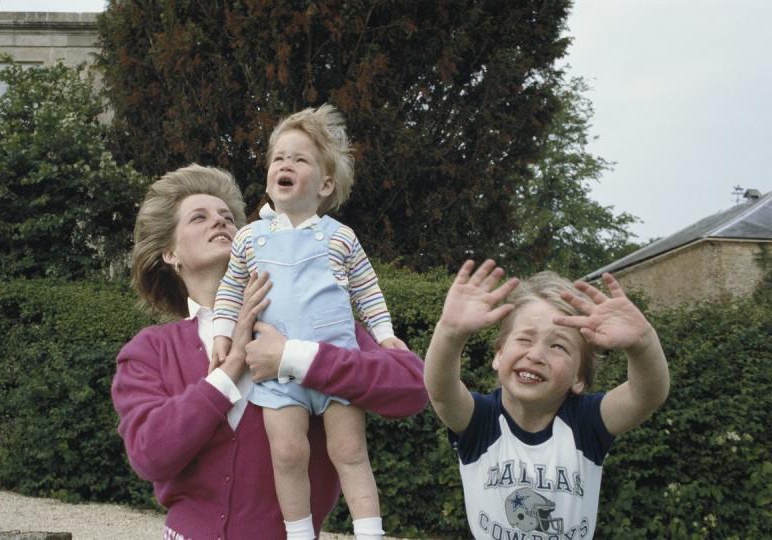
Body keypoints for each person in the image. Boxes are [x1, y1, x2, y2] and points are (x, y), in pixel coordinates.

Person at [111, 163, 428, 540]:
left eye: (228, 217)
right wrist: (228, 372)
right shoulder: (150, 350)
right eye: (200, 217)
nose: (221, 222)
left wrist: (296, 358)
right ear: (170, 253)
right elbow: (149, 455)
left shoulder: (320, 327)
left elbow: (412, 388)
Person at [209, 104, 404, 540]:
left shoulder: (340, 236)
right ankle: (299, 535)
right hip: (275, 372)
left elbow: (368, 291)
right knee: (288, 454)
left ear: (325, 184)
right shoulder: (248, 238)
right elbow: (230, 291)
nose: (285, 164)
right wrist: (222, 334)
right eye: (279, 157)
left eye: (299, 159)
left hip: (335, 365)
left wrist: (386, 337)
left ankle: (369, 532)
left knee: (350, 452)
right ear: (268, 177)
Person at [424, 259, 670, 539]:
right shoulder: (480, 420)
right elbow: (441, 392)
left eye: (558, 346)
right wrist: (450, 332)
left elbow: (646, 395)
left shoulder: (586, 423)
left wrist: (644, 344)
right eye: (525, 339)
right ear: (498, 355)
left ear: (579, 378)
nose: (536, 355)